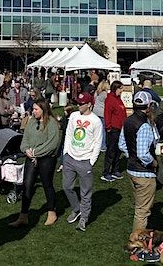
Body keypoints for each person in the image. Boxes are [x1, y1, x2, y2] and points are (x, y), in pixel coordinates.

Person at [9, 98, 61, 228]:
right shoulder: (32, 122)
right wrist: (26, 150)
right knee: (27, 184)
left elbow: (52, 144)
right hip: (31, 157)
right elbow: (24, 139)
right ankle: (23, 215)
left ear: (43, 110)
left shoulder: (52, 123)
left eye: (36, 109)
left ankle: (51, 212)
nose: (33, 111)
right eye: (33, 109)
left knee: (47, 183)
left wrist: (36, 152)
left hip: (47, 159)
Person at [62, 92, 103, 232]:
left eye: (82, 103)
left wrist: (91, 161)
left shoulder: (96, 121)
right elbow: (68, 134)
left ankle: (84, 218)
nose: (79, 105)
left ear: (89, 104)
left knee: (86, 192)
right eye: (78, 103)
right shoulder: (73, 116)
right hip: (70, 158)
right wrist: (65, 153)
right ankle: (76, 208)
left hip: (85, 161)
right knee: (67, 187)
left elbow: (98, 142)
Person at [119, 90, 159, 229]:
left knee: (139, 206)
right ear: (148, 107)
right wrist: (154, 163)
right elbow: (143, 154)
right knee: (142, 212)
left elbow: (122, 145)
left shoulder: (128, 120)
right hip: (144, 173)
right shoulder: (145, 126)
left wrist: (131, 156)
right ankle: (137, 241)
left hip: (131, 170)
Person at [101, 80, 127, 182]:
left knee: (118, 150)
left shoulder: (118, 99)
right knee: (111, 151)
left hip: (120, 129)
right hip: (113, 129)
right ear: (115, 88)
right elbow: (107, 113)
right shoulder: (110, 99)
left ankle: (115, 170)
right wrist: (108, 127)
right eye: (120, 89)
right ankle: (106, 172)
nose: (122, 91)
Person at [93, 81, 108, 152]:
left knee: (96, 130)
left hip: (95, 112)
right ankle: (102, 146)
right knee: (103, 131)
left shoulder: (97, 92)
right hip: (102, 113)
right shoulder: (105, 94)